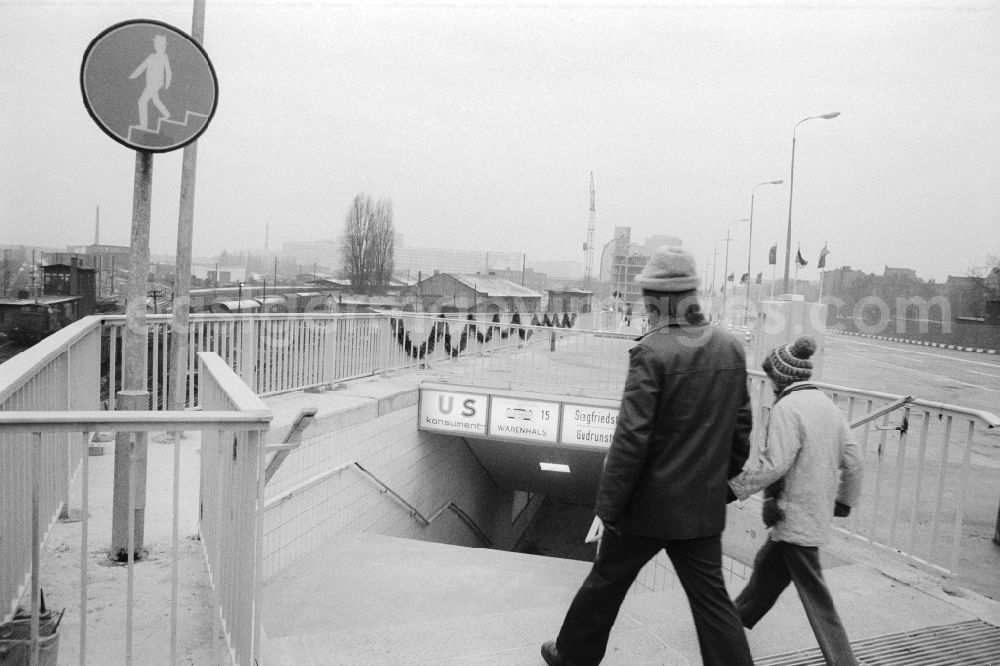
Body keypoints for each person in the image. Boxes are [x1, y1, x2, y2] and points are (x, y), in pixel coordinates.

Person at [542, 245, 754, 666]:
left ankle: (571, 656)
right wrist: (717, 485)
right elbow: (741, 432)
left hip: (646, 510)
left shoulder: (651, 353)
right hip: (700, 510)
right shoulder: (731, 348)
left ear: (656, 299)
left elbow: (630, 440)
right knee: (713, 604)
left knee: (606, 583)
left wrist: (609, 507)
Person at [728, 336, 864, 665]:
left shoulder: (787, 408)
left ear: (780, 377)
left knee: (816, 597)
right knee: (767, 571)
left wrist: (736, 488)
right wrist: (845, 500)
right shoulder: (827, 405)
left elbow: (775, 464)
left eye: (771, 377)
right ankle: (727, 626)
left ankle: (844, 661)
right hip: (812, 514)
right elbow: (855, 460)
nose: (771, 383)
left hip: (793, 516)